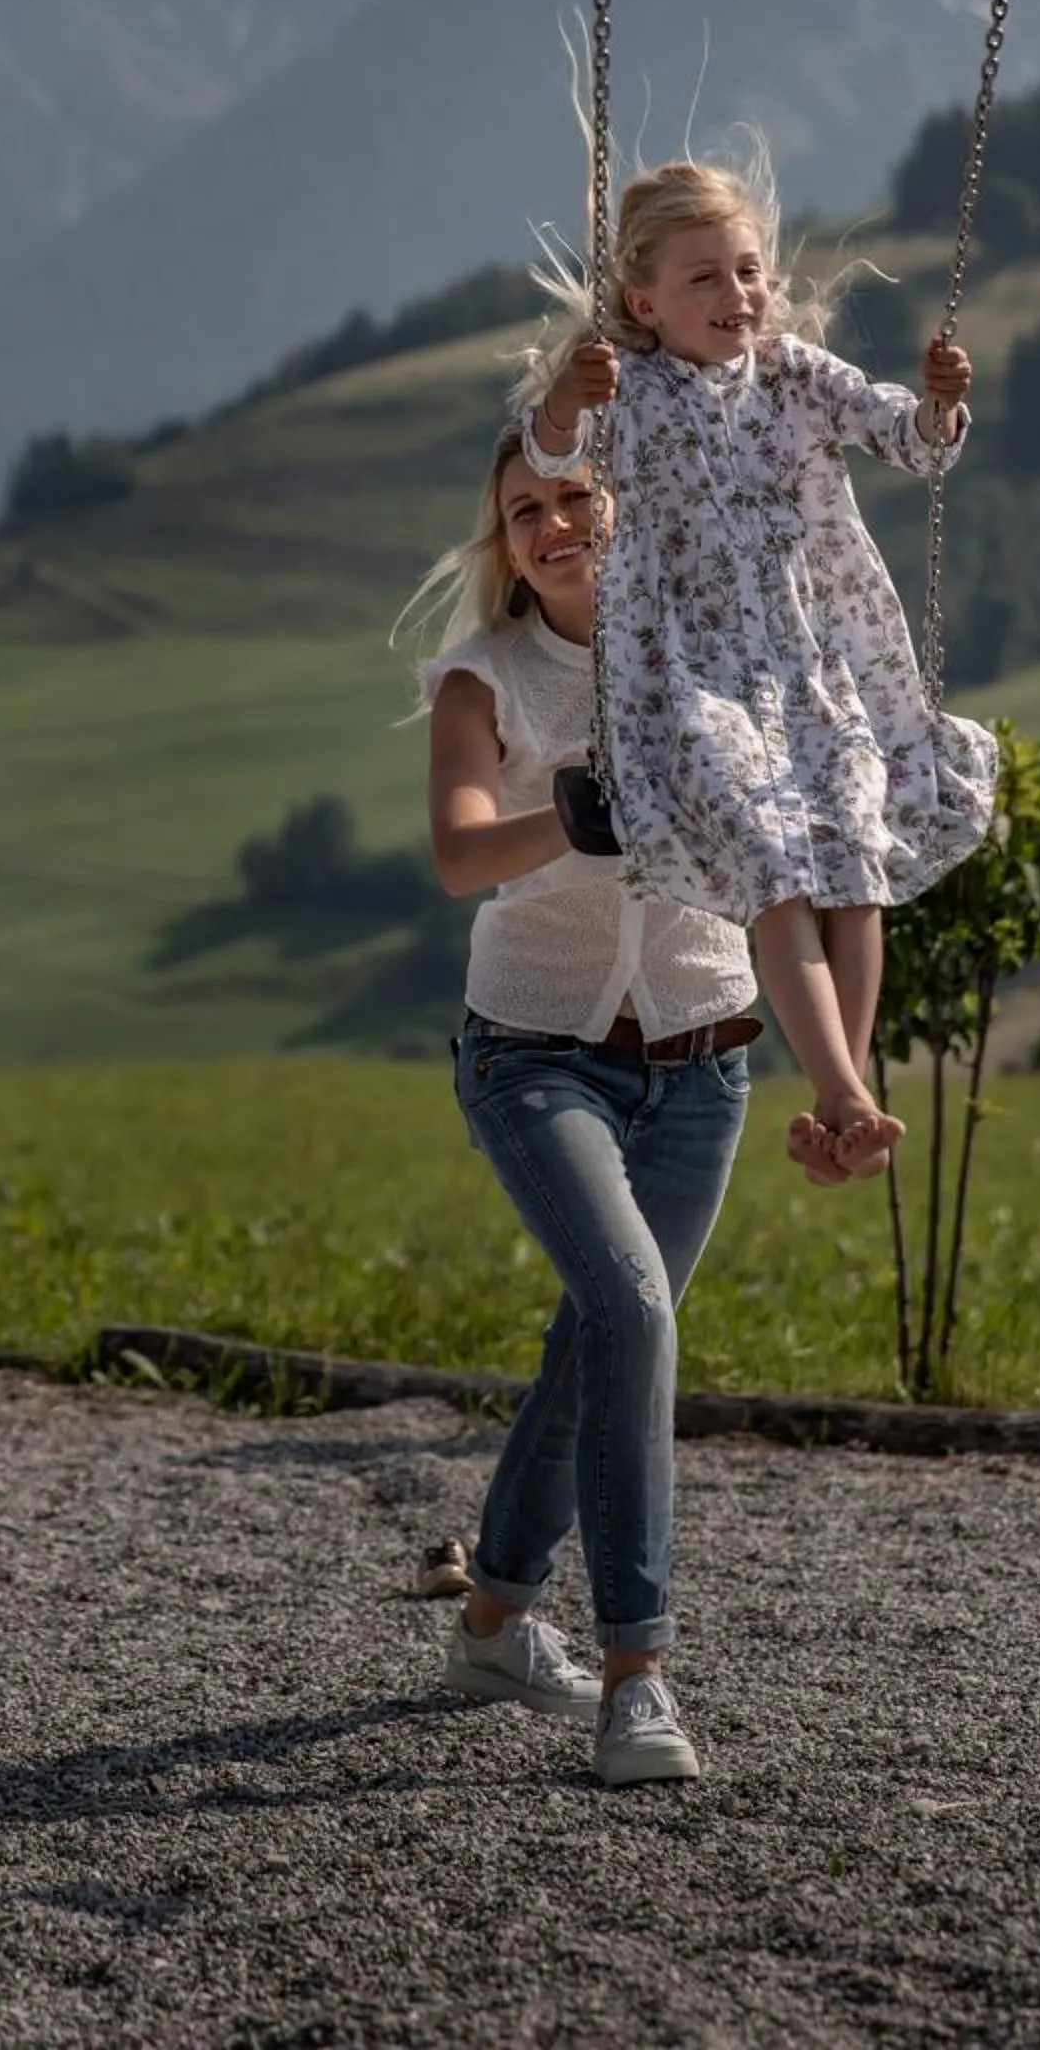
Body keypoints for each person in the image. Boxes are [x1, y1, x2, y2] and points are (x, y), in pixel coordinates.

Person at [524, 150, 1000, 1184]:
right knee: (774, 858)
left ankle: (847, 1093)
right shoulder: (631, 386)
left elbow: (913, 449)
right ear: (642, 300)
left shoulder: (792, 374)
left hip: (815, 664)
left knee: (852, 856)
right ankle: (841, 1090)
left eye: (746, 271)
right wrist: (568, 392)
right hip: (693, 676)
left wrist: (937, 404)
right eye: (704, 278)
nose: (735, 295)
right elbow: (552, 454)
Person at [412, 418, 766, 1790]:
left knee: (598, 1340)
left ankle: (494, 1619)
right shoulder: (481, 676)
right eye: (524, 513)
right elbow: (455, 853)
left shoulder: (709, 648)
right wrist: (573, 812)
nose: (555, 525)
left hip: (705, 1054)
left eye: (576, 496)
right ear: (500, 545)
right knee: (630, 1314)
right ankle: (638, 1676)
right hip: (535, 1052)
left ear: (626, 503)